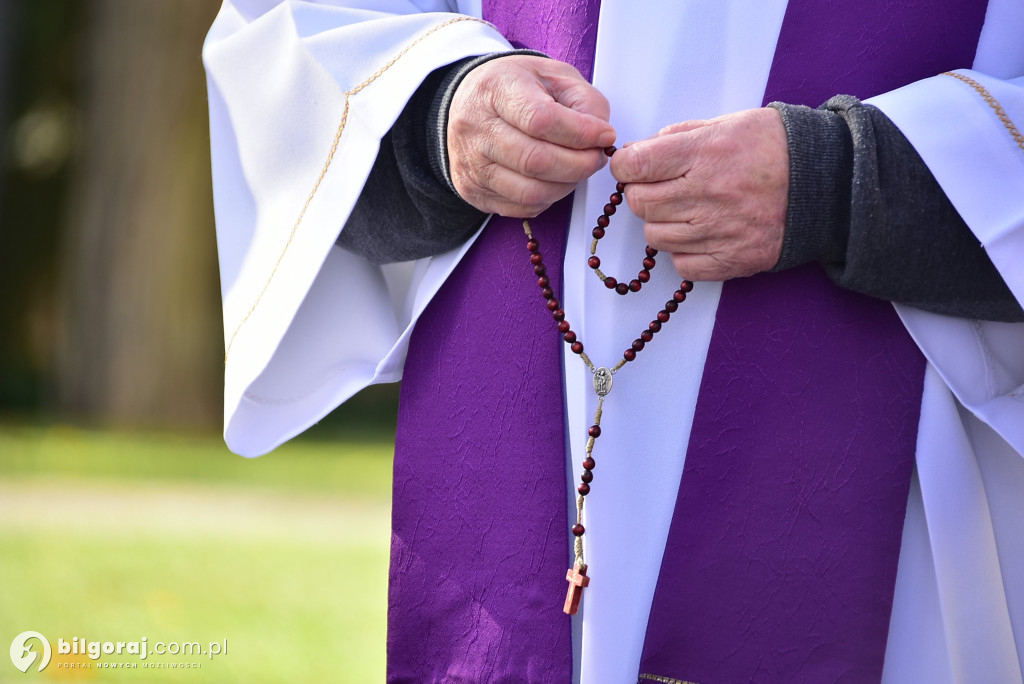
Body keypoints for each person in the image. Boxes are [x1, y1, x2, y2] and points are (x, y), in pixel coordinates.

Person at [203, 1, 1024, 681]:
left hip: (906, 458)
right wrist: (439, 113)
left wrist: (845, 180)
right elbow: (298, 33)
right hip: (516, 404)